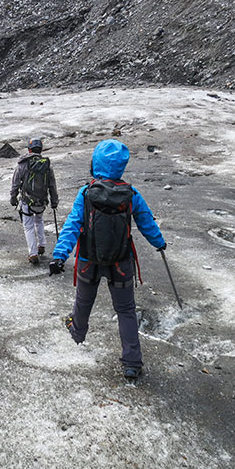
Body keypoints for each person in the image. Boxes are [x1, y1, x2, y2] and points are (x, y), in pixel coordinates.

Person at [49, 139, 166, 379]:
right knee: (125, 310)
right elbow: (146, 222)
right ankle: (132, 362)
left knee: (84, 302)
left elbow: (72, 225)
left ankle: (77, 333)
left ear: (96, 162)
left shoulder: (86, 193)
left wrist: (60, 255)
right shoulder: (131, 194)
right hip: (121, 263)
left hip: (88, 261)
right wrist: (159, 243)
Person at [10, 138, 59, 264]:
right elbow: (52, 184)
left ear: (29, 149)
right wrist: (54, 200)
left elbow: (15, 182)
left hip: (28, 200)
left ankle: (33, 253)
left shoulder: (23, 164)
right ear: (41, 150)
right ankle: (41, 244)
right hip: (42, 201)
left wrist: (13, 196)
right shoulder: (47, 165)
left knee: (28, 226)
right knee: (39, 220)